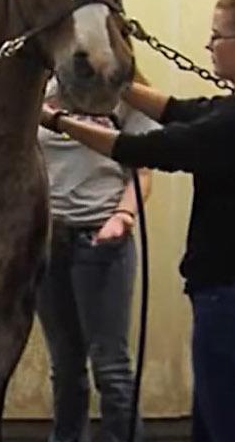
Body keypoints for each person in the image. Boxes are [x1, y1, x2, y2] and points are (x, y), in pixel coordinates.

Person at [40, 0, 235, 442]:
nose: (209, 47)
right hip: (229, 298)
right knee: (212, 428)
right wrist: (110, 78)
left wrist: (55, 120)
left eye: (217, 37)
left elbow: (143, 147)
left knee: (230, 431)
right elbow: (176, 111)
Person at [35, 74, 157, 442]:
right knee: (66, 365)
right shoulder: (42, 91)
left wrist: (124, 215)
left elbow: (144, 170)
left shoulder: (125, 95)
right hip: (48, 240)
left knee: (111, 367)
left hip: (102, 240)